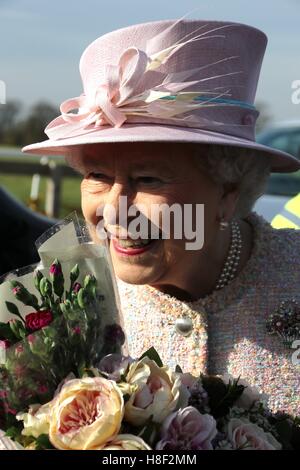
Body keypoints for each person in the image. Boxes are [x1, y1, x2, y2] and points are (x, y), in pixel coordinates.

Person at [23, 18, 300, 415]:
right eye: (97, 176)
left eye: (148, 178)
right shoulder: (62, 301)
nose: (114, 209)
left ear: (227, 190)